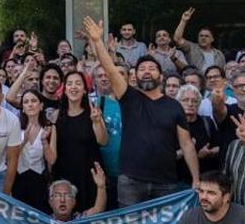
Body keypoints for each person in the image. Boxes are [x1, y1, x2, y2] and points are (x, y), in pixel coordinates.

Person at [83, 17, 199, 205]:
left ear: (161, 76)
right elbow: (110, 70)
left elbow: (186, 145)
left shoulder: (174, 105)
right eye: (142, 69)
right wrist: (97, 41)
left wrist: (196, 178)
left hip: (166, 182)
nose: (146, 71)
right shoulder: (128, 97)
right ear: (134, 76)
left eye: (152, 68)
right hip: (131, 181)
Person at [49, 71, 108, 211]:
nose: (73, 87)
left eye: (78, 83)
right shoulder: (57, 115)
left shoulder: (93, 112)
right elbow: (52, 151)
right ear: (64, 89)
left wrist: (97, 121)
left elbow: (103, 141)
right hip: (64, 176)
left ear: (84, 89)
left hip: (89, 175)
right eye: (69, 83)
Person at [14, 90, 56, 212]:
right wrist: (24, 141)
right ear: (22, 108)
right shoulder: (15, 127)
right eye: (26, 102)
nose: (30, 104)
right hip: (18, 179)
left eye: (34, 101)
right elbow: (8, 158)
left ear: (41, 105)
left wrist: (44, 141)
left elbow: (52, 160)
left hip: (40, 180)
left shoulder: (49, 128)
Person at [172, 8, 225, 74]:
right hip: (196, 81)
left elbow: (223, 72)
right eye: (201, 36)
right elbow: (177, 39)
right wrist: (183, 21)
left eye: (206, 36)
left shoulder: (219, 54)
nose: (203, 38)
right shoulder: (191, 47)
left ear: (212, 39)